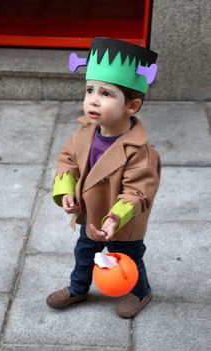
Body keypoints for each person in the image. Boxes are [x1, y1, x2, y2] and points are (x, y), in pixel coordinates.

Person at [46, 37, 161, 318]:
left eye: (106, 94)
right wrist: (67, 191)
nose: (93, 100)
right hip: (90, 216)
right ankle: (78, 287)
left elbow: (137, 193)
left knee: (129, 258)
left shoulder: (141, 153)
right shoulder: (84, 133)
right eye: (89, 90)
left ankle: (140, 291)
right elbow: (67, 161)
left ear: (131, 106)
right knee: (84, 253)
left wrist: (114, 218)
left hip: (121, 222)